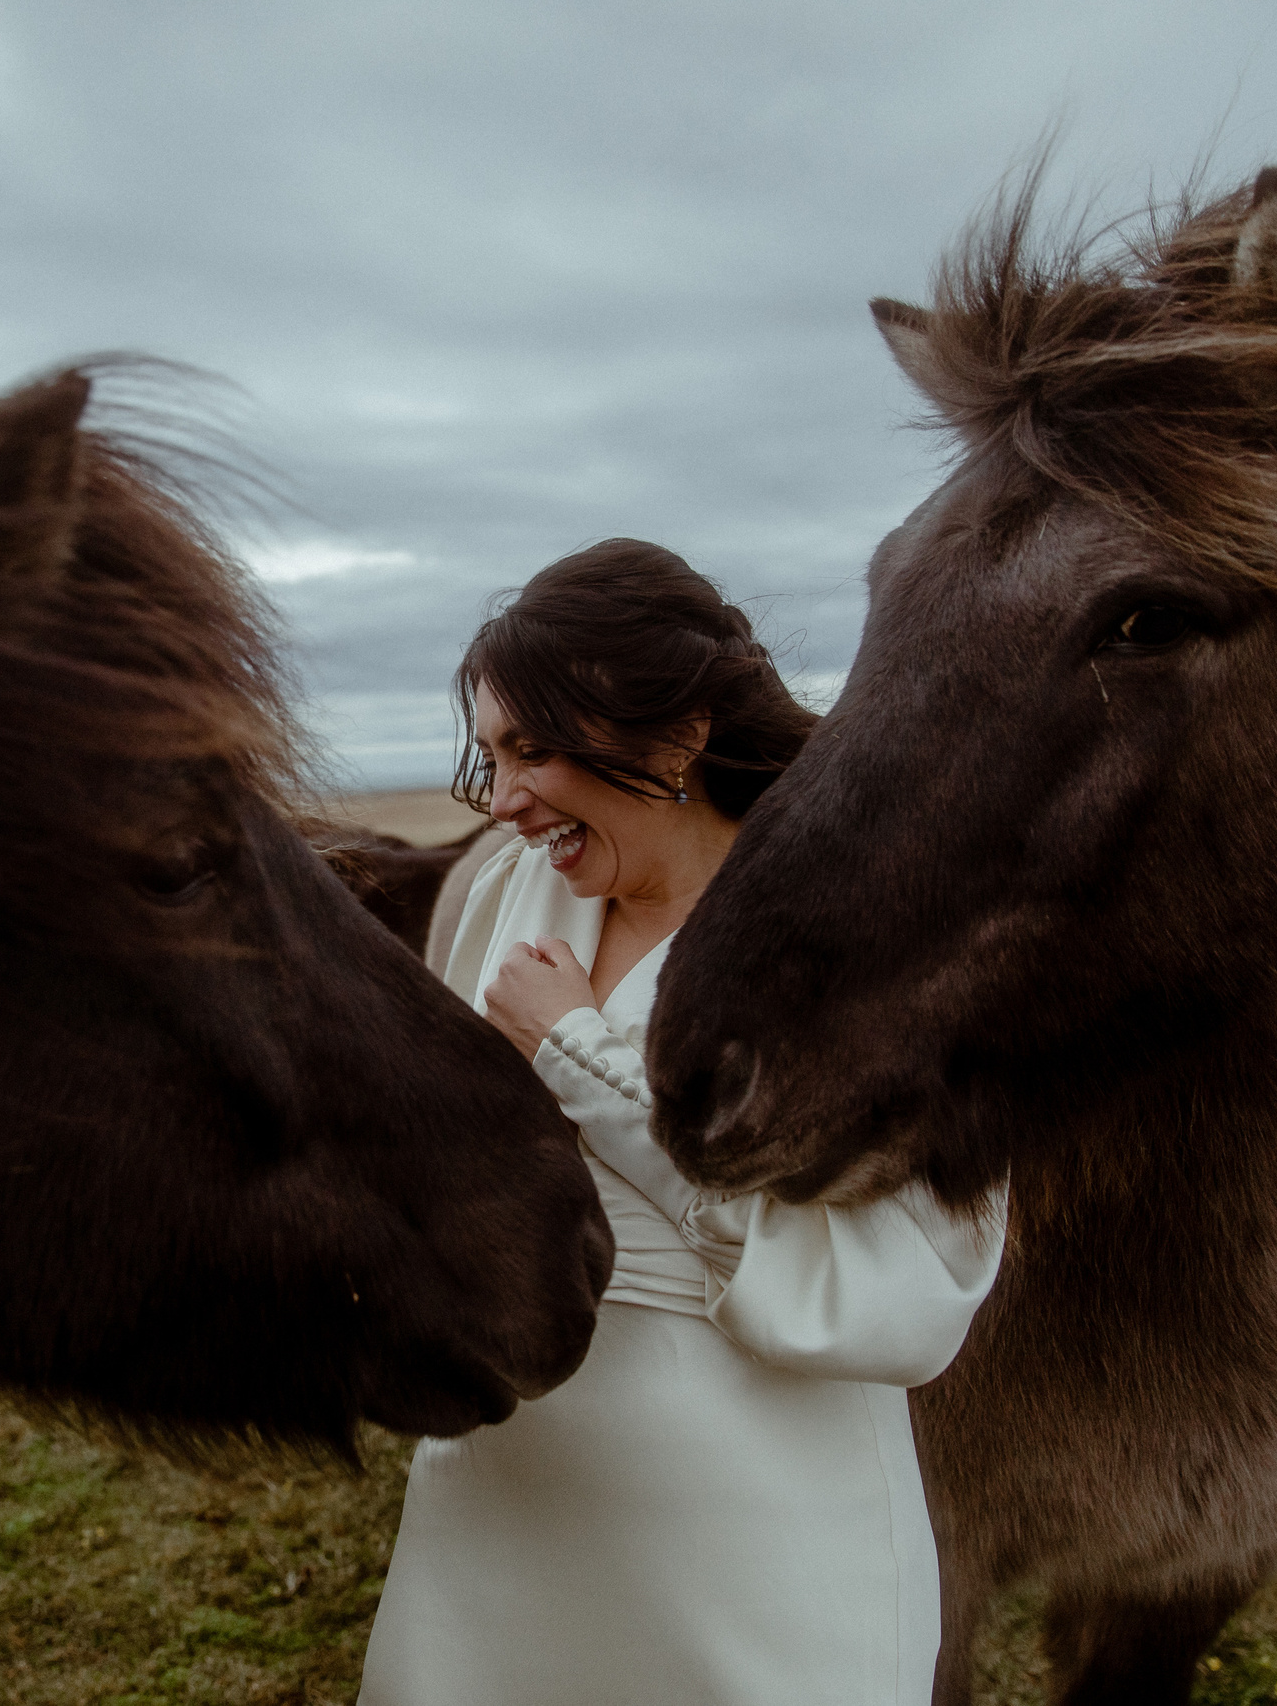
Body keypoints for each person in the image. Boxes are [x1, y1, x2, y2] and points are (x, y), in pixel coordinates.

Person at [359, 539, 1008, 1706]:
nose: (503, 803)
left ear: (674, 735)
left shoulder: (859, 932)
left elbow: (907, 1292)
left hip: (750, 1530)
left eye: (534, 750)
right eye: (492, 756)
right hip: (498, 1492)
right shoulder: (520, 892)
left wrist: (580, 1055)